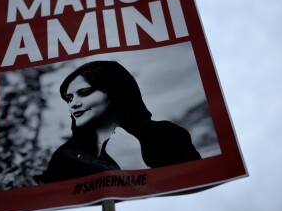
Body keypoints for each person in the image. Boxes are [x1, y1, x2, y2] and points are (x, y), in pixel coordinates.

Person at [39, 60, 201, 183]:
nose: (73, 103)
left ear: (115, 92)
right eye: (69, 98)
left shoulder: (167, 135)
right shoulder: (65, 156)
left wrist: (136, 167)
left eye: (84, 92)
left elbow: (193, 193)